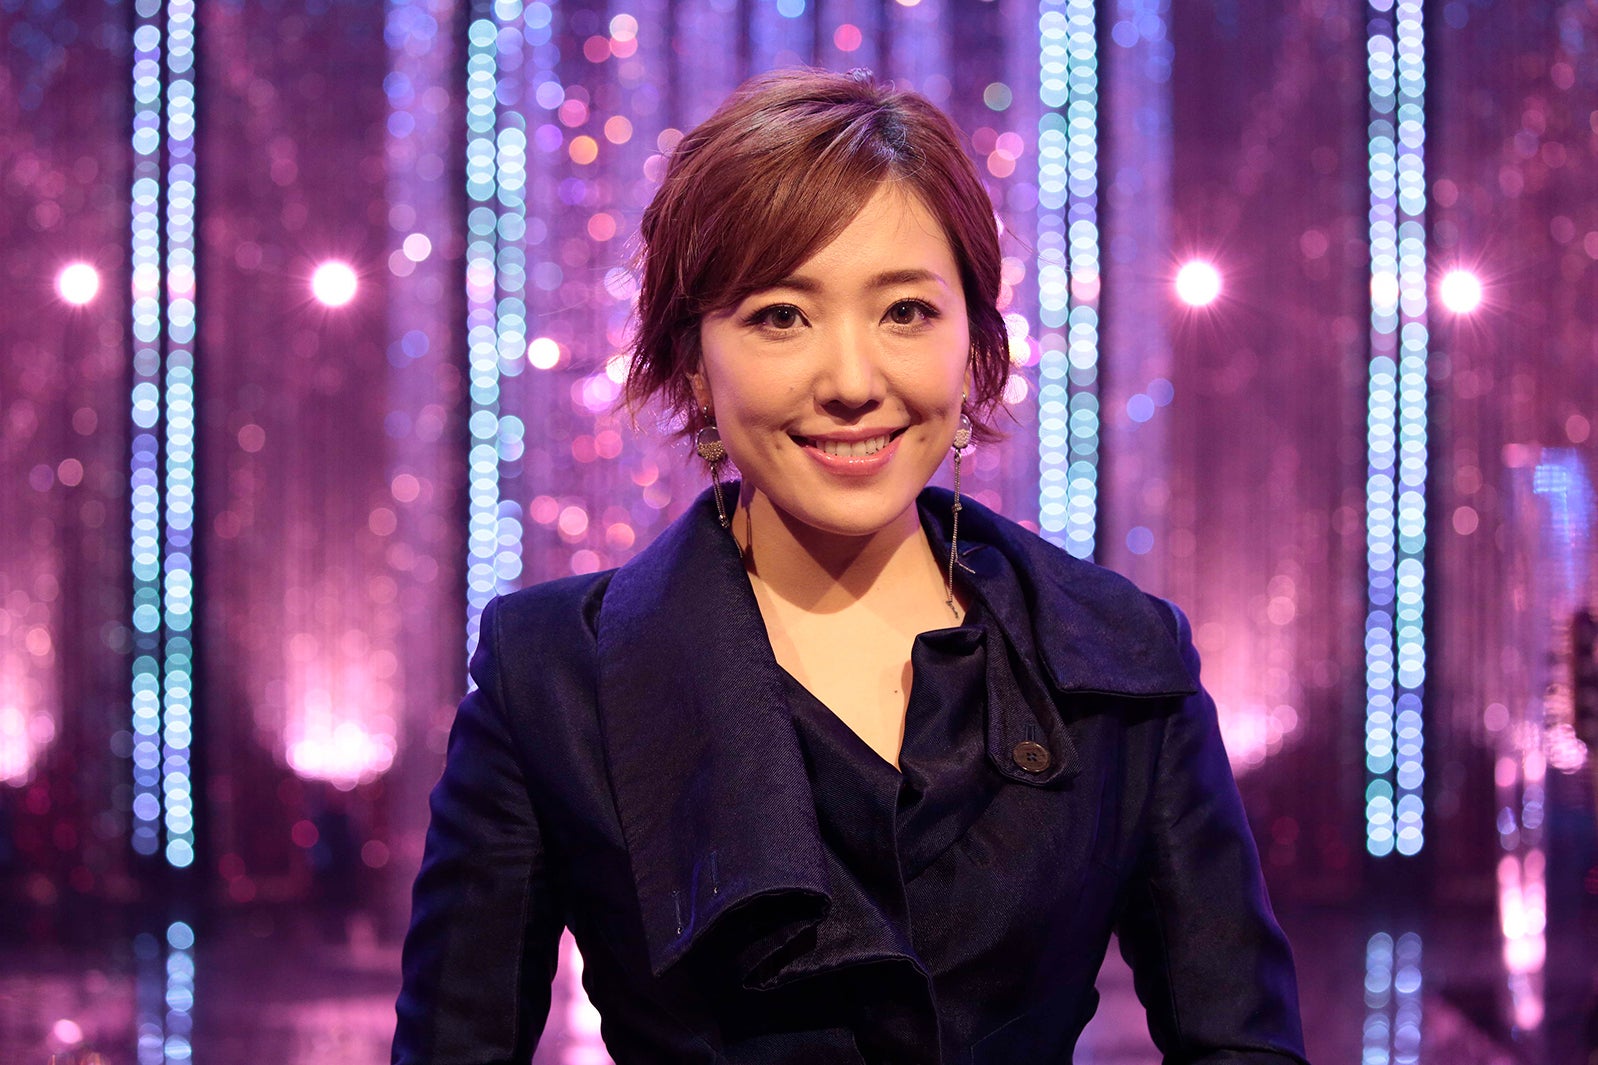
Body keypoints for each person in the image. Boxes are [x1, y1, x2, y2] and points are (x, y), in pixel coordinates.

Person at [393, 68, 1307, 1064]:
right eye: (781, 315)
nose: (851, 382)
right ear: (693, 361)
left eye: (905, 311)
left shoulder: (1117, 663)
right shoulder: (548, 681)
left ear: (975, 344)